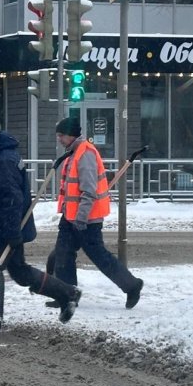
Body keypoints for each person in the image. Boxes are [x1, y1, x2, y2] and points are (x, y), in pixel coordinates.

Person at [0, 115, 81, 334]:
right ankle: (68, 293)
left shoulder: (4, 160)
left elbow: (12, 199)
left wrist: (11, 232)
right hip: (4, 226)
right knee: (19, 271)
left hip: (5, 229)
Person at [52, 117, 144, 308]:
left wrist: (81, 218)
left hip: (85, 219)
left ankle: (132, 285)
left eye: (61, 135)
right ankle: (67, 295)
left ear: (71, 135)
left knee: (99, 256)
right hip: (71, 217)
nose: (59, 139)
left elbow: (88, 190)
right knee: (63, 254)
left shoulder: (85, 154)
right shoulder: (74, 152)